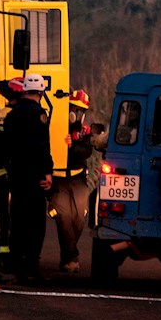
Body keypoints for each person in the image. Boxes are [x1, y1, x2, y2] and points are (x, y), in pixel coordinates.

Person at [4, 73, 54, 283]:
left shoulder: (12, 115)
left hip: (16, 175)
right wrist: (48, 172)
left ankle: (17, 268)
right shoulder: (39, 115)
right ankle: (32, 268)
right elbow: (42, 147)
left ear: (24, 90)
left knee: (17, 222)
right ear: (42, 92)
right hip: (34, 177)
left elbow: (7, 146)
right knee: (35, 224)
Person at [51, 89, 95, 273]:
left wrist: (72, 146)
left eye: (80, 110)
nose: (76, 114)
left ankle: (67, 255)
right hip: (58, 179)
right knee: (63, 217)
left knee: (79, 219)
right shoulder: (55, 126)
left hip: (78, 179)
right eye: (74, 108)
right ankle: (71, 258)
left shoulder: (85, 133)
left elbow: (86, 152)